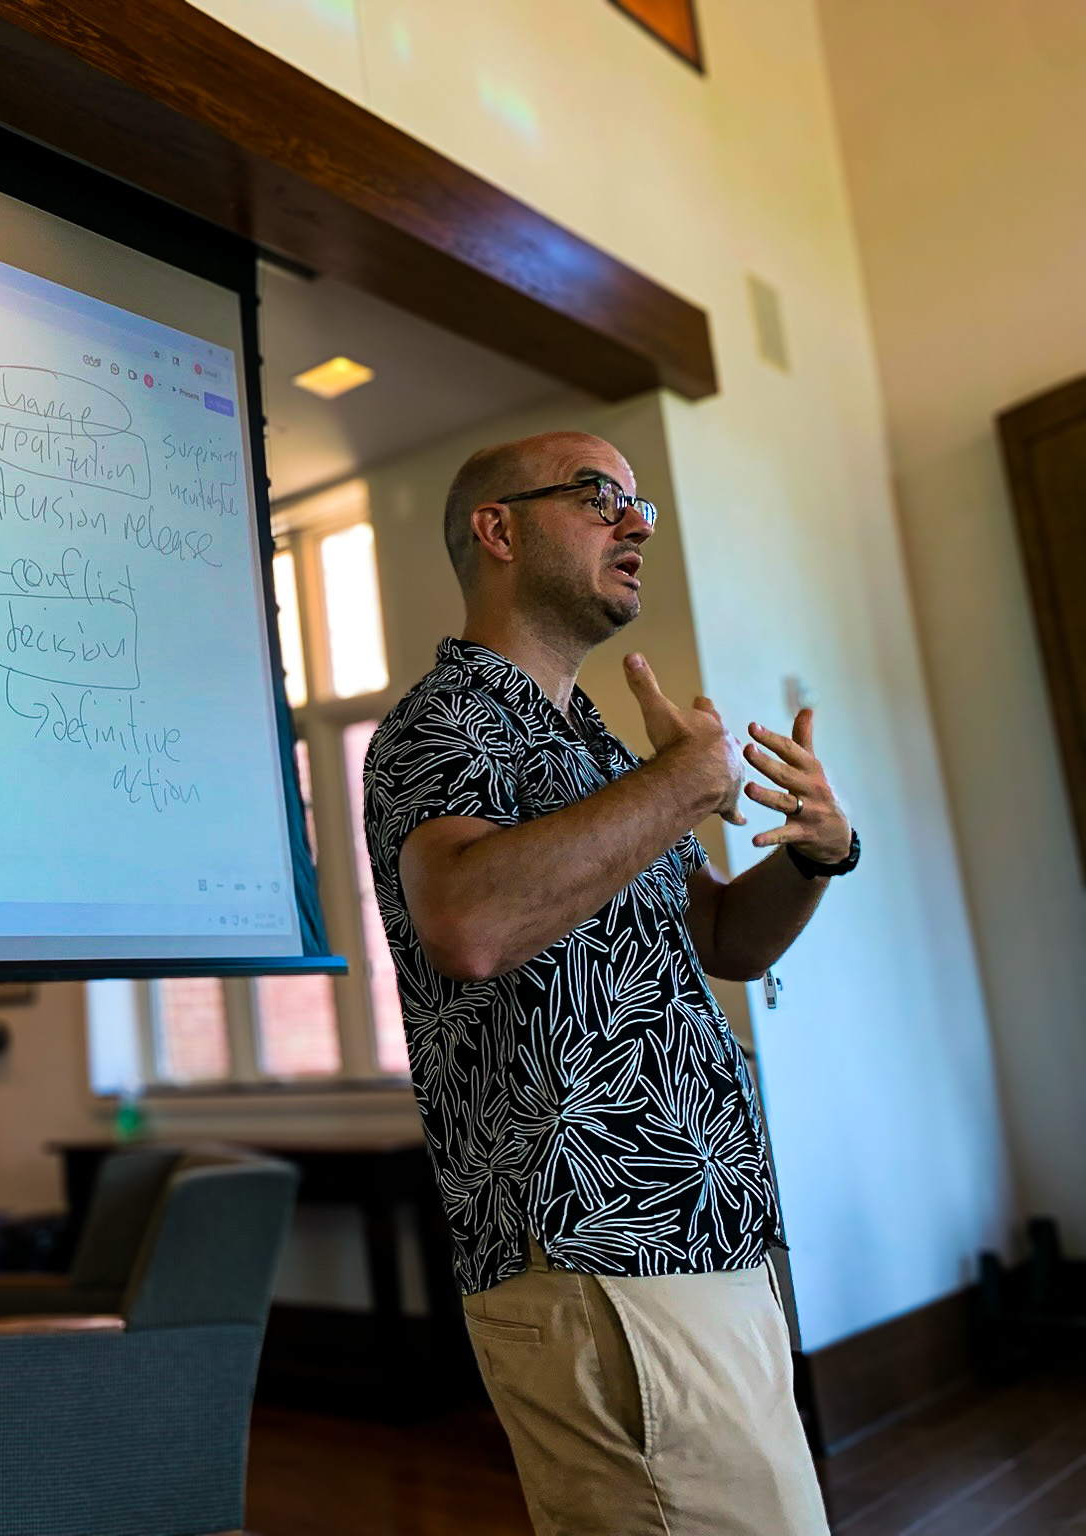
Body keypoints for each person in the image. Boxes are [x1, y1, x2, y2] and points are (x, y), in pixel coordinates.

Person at [360, 431, 858, 1535]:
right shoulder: (440, 724)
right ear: (497, 529)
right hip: (594, 1246)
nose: (635, 524)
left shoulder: (588, 747)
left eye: (638, 504)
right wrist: (681, 782)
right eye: (599, 497)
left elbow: (721, 937)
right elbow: (469, 923)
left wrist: (812, 855)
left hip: (698, 1234)